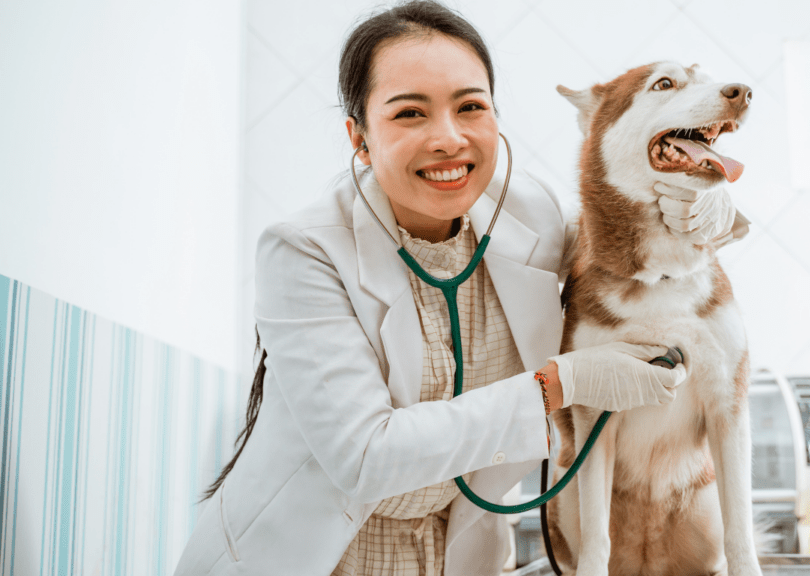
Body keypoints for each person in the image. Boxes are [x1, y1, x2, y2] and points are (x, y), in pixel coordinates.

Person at [173, 2, 745, 575]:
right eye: (409, 114)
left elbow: (629, 237)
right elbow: (367, 456)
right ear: (361, 138)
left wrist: (710, 202)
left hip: (456, 558)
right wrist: (557, 384)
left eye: (470, 107)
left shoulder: (531, 215)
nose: (448, 139)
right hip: (315, 557)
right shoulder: (303, 251)